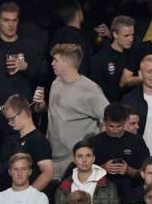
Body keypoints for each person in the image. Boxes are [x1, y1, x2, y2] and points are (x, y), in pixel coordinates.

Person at [39, 43, 108, 178]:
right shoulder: (55, 83)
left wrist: (93, 152)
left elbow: (107, 119)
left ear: (66, 63)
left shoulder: (90, 90)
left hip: (75, 164)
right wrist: (40, 105)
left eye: (55, 60)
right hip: (52, 159)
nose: (52, 64)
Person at [0, 0, 45, 102]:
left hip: (25, 109)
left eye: (14, 20)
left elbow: (43, 77)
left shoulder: (31, 47)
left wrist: (26, 67)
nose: (11, 25)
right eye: (6, 20)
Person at [51, 141, 121, 204]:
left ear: (93, 159)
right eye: (80, 156)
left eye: (88, 156)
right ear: (74, 160)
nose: (84, 160)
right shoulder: (64, 187)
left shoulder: (107, 186)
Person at [0, 94, 54, 192]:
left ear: (24, 113)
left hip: (28, 203)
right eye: (8, 120)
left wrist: (26, 196)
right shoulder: (10, 140)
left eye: (12, 119)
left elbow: (48, 173)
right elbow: (1, 175)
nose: (9, 123)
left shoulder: (38, 140)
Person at [89, 103, 150, 204]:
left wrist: (128, 170)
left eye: (119, 126)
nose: (115, 130)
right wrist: (103, 168)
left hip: (132, 196)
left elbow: (147, 172)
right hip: (101, 196)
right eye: (111, 126)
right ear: (104, 122)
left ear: (125, 121)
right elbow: (84, 172)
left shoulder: (137, 142)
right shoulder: (94, 143)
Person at [90, 15, 135, 102]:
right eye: (126, 36)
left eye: (132, 35)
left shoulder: (134, 54)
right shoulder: (100, 59)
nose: (131, 39)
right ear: (115, 34)